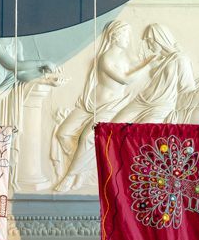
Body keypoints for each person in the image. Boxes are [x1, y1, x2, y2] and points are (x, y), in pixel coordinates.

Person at [49, 19, 146, 190]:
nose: (127, 38)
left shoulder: (129, 57)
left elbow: (141, 62)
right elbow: (125, 79)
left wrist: (152, 60)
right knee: (63, 133)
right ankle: (83, 170)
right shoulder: (105, 58)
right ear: (115, 36)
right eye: (124, 34)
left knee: (87, 138)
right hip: (90, 104)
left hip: (112, 106)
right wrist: (149, 64)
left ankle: (71, 174)